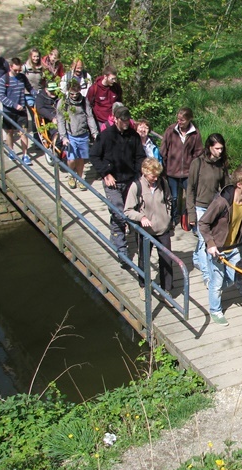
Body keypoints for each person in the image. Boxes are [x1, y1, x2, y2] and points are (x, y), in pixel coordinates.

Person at [198, 166, 242, 326]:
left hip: (233, 248)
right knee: (217, 283)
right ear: (239, 185)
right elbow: (203, 223)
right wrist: (210, 244)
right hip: (217, 249)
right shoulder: (221, 202)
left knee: (235, 279)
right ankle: (215, 311)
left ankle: (212, 287)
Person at [90, 105, 146, 266]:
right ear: (115, 119)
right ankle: (122, 251)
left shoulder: (133, 136)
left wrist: (138, 174)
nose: (126, 123)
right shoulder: (106, 136)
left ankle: (115, 238)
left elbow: (140, 156)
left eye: (128, 120)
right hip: (112, 182)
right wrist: (105, 174)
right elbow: (94, 156)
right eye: (123, 120)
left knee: (128, 213)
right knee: (119, 214)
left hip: (130, 181)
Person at [124, 158, 174, 304]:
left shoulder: (163, 184)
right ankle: (143, 286)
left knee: (167, 260)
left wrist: (168, 217)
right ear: (145, 173)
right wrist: (141, 217)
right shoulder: (136, 187)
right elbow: (127, 211)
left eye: (157, 175)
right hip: (145, 232)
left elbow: (169, 201)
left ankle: (166, 290)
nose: (156, 178)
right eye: (153, 176)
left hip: (163, 230)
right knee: (143, 259)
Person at [186, 133, 230, 287]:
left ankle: (196, 258)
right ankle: (207, 274)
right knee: (204, 240)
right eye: (217, 148)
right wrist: (191, 213)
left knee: (204, 240)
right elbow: (190, 189)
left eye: (221, 149)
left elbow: (226, 188)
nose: (220, 151)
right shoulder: (197, 163)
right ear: (209, 147)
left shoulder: (221, 164)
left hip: (213, 208)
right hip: (199, 206)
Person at [160, 107, 204, 227]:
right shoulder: (171, 130)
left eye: (182, 120)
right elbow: (163, 149)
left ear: (190, 119)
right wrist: (163, 166)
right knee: (173, 198)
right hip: (171, 171)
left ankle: (192, 222)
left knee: (191, 198)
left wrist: (194, 166)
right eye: (178, 119)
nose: (179, 122)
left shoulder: (195, 134)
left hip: (188, 172)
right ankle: (174, 219)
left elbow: (199, 152)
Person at [57, 80, 99, 190]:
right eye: (72, 94)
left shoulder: (84, 101)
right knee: (71, 159)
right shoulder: (63, 102)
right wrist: (63, 137)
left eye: (76, 93)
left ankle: (80, 178)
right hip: (70, 135)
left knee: (80, 159)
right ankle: (71, 175)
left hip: (83, 134)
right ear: (68, 92)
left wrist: (94, 133)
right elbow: (60, 120)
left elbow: (90, 117)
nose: (74, 96)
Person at [0, 57, 36, 166]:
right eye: (16, 70)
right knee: (10, 132)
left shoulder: (22, 77)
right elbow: (1, 96)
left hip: (22, 110)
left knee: (23, 132)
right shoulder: (4, 79)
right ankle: (11, 151)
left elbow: (30, 88)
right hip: (9, 111)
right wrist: (14, 105)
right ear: (10, 67)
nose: (18, 72)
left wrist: (36, 95)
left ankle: (25, 155)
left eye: (19, 70)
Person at [86, 65, 122, 130]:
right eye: (112, 79)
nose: (114, 81)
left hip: (113, 121)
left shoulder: (116, 88)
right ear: (105, 76)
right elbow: (88, 106)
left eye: (115, 78)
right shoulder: (94, 89)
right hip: (100, 122)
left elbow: (119, 104)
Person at [35, 81, 60, 163]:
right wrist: (51, 117)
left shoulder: (60, 95)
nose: (53, 93)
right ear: (46, 90)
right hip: (48, 119)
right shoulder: (40, 97)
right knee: (55, 131)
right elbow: (40, 109)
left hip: (61, 117)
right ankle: (56, 147)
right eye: (51, 91)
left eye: (54, 91)